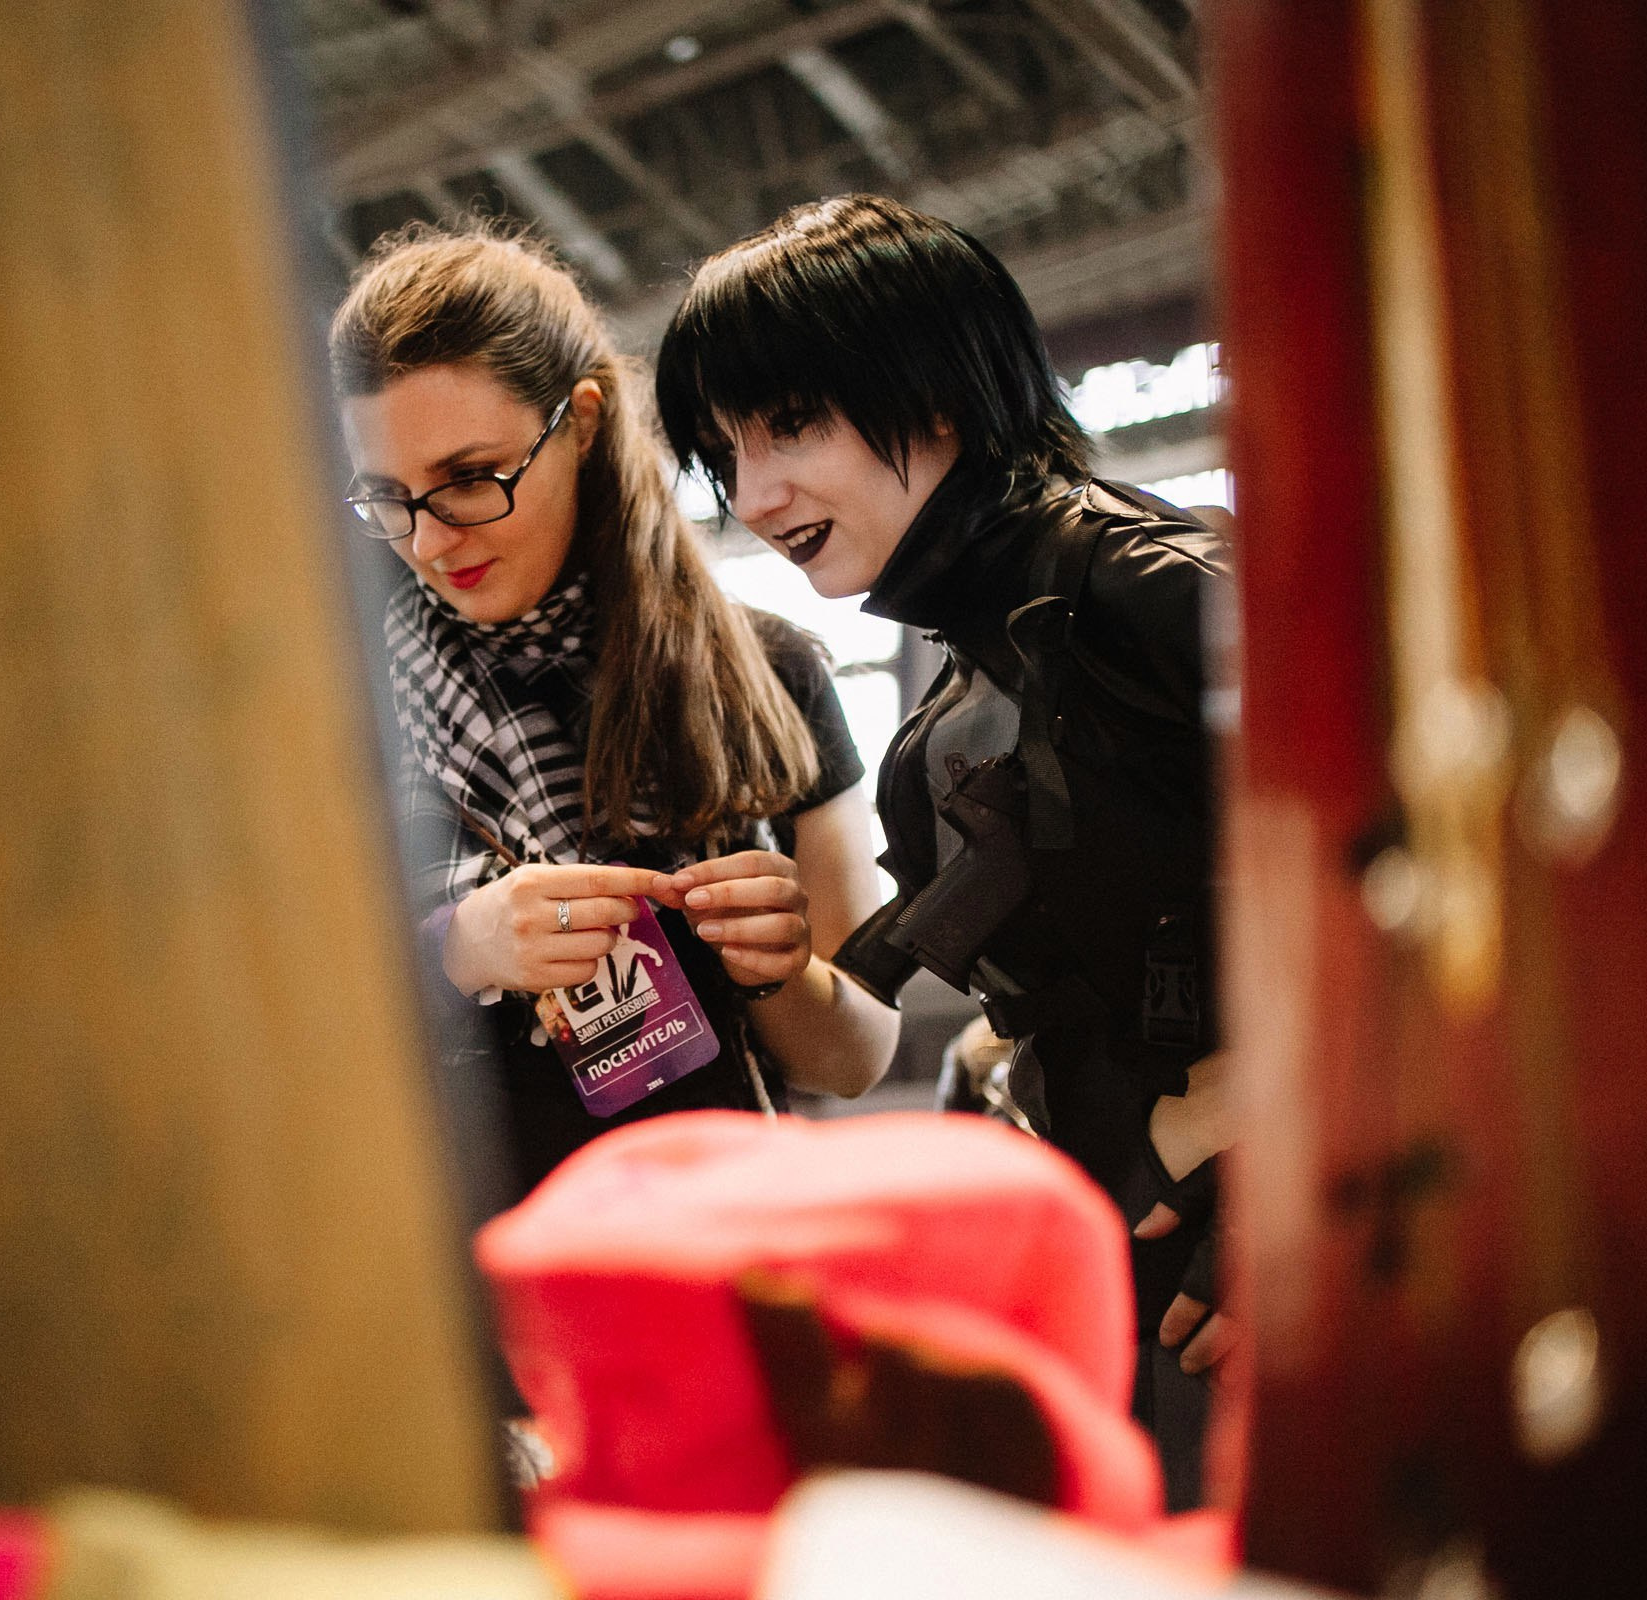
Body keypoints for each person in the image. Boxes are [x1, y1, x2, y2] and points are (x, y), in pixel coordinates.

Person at [653, 194, 1236, 1507]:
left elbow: (1460, 860)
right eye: (721, 454)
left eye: (791, 424)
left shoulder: (1155, 589)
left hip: (1283, 1275)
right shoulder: (944, 737)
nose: (754, 497)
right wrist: (757, 952)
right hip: (1108, 1279)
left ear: (937, 398)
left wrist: (1301, 1161)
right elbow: (863, 1017)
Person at [329, 225, 898, 1207]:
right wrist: (458, 949)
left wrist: (780, 971)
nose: (427, 539)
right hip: (455, 1280)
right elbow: (266, 1048)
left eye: (471, 477)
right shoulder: (334, 696)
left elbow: (857, 1058)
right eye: (387, 496)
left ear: (583, 421)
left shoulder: (768, 671)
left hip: (720, 1244)